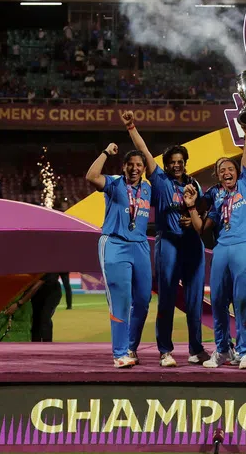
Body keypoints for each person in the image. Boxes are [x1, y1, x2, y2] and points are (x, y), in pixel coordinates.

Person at [123, 113, 208, 368]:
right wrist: (131, 128)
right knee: (168, 299)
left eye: (180, 161)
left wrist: (192, 217)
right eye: (172, 162)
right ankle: (165, 351)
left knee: (194, 301)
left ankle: (196, 349)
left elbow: (202, 215)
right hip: (168, 243)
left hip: (193, 244)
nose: (177, 165)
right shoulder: (159, 180)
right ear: (166, 164)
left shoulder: (195, 185)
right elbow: (144, 151)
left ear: (185, 163)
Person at [183, 117, 246, 369]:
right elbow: (200, 228)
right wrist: (191, 207)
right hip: (222, 249)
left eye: (229, 168)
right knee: (217, 301)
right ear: (217, 177)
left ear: (237, 171)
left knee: (243, 299)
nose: (226, 172)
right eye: (221, 171)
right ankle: (223, 349)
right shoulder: (217, 198)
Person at [84, 141, 152, 368]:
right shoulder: (113, 183)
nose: (134, 168)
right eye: (130, 164)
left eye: (139, 165)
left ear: (144, 168)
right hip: (115, 244)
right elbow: (92, 175)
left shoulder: (148, 189)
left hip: (140, 245)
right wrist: (105, 152)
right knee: (121, 301)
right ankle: (120, 353)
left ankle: (131, 347)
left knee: (143, 300)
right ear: (123, 167)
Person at [30, 273, 64, 342]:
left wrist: (20, 303)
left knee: (45, 318)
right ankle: (35, 346)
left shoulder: (49, 267)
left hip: (52, 292)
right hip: (37, 294)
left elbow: (37, 285)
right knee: (36, 320)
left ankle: (47, 346)